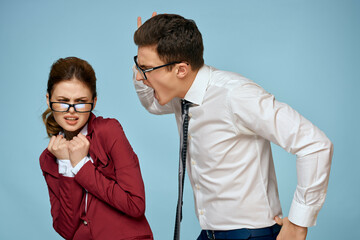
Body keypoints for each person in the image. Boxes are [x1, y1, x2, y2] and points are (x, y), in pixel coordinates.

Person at [132, 13, 333, 240]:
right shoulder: (180, 94)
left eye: (147, 70)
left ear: (180, 70)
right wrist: (143, 62)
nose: (140, 78)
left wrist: (298, 224)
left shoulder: (235, 95)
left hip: (250, 234)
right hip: (210, 233)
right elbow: (151, 102)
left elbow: (315, 144)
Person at [40, 57, 153, 240]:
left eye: (80, 101)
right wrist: (66, 166)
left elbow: (135, 204)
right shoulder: (49, 158)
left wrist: (82, 166)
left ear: (93, 102)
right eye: (62, 101)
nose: (71, 110)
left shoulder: (109, 131)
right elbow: (66, 230)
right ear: (48, 100)